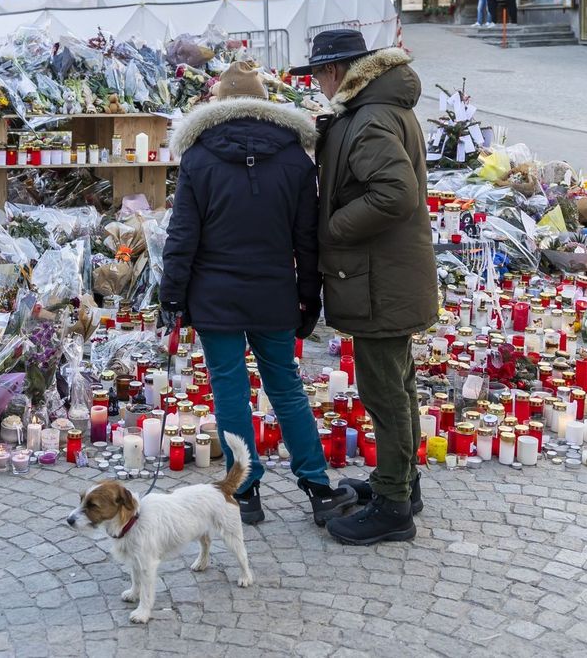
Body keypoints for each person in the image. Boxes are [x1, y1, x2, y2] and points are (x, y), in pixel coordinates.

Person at [159, 59, 358, 528]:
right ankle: (317, 486)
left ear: (219, 104)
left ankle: (244, 493)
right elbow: (306, 239)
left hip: (215, 296)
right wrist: (309, 297)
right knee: (286, 388)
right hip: (274, 292)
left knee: (229, 390)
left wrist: (172, 297)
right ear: (264, 104)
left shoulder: (200, 156)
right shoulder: (293, 156)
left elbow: (182, 235)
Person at [293, 30, 437, 546]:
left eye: (317, 73)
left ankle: (395, 507)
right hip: (386, 275)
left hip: (381, 279)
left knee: (385, 393)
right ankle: (399, 484)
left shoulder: (372, 117)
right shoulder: (375, 108)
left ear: (338, 72)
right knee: (397, 385)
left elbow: (396, 194)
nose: (316, 82)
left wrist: (333, 227)